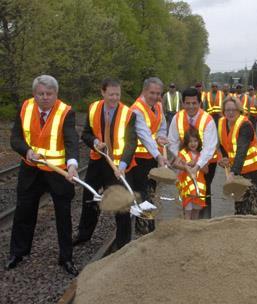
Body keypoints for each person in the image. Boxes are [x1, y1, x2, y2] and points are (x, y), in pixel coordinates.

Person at [6, 75, 80, 275]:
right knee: (24, 210)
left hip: (58, 172)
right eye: (40, 94)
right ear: (34, 94)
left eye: (49, 94)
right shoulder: (26, 107)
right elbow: (16, 138)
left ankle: (66, 258)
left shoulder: (66, 112)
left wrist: (72, 165)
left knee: (63, 214)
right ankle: (18, 252)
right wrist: (27, 151)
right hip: (31, 169)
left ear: (56, 94)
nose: (44, 97)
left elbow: (72, 140)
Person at [75, 78, 138, 251]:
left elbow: (131, 142)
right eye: (111, 94)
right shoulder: (93, 108)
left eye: (117, 94)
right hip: (97, 161)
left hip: (119, 166)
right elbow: (86, 134)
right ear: (103, 92)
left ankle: (123, 243)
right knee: (89, 198)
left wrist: (123, 166)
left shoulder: (128, 114)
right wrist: (95, 141)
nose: (114, 98)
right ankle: (84, 234)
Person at [168, 87, 218, 219]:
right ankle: (186, 220)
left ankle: (204, 221)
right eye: (188, 103)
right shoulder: (177, 118)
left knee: (202, 190)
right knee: (185, 191)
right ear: (183, 103)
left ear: (200, 103)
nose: (191, 106)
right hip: (184, 162)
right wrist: (183, 161)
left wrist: (197, 165)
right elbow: (172, 141)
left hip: (205, 163)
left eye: (194, 103)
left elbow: (209, 147)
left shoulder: (207, 120)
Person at [130, 77, 168, 235]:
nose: (155, 96)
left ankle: (147, 225)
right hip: (138, 159)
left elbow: (162, 126)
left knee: (150, 191)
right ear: (144, 91)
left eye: (158, 93)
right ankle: (144, 229)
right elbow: (144, 135)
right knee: (142, 193)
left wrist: (161, 136)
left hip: (152, 158)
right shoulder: (136, 109)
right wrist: (159, 156)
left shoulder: (158, 106)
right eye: (152, 92)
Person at [218, 96, 257, 215]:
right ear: (223, 111)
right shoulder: (222, 123)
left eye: (234, 110)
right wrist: (224, 157)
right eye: (228, 110)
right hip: (237, 169)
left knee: (251, 205)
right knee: (239, 204)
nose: (231, 113)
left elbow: (241, 150)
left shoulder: (245, 125)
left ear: (239, 110)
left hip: (251, 170)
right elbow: (223, 144)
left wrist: (233, 173)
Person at [175, 128, 207, 220]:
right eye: (190, 141)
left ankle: (194, 232)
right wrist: (185, 167)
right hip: (187, 189)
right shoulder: (183, 153)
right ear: (186, 142)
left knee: (196, 212)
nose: (193, 144)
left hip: (199, 190)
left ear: (199, 141)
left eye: (195, 141)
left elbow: (206, 170)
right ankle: (186, 232)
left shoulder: (202, 155)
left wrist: (197, 164)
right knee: (187, 211)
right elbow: (175, 164)